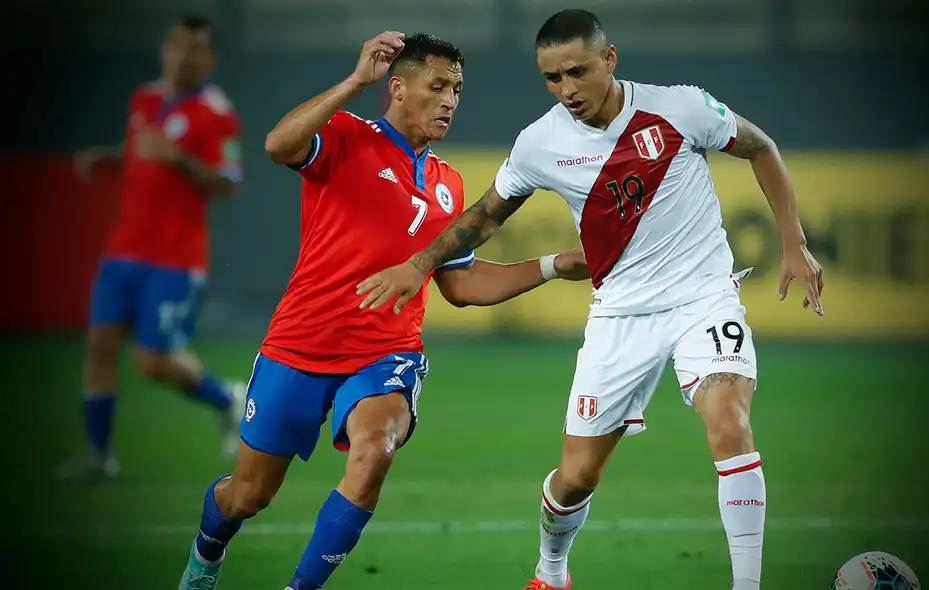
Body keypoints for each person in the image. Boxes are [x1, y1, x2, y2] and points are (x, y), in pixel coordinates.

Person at [356, 10, 825, 590]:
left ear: (609, 59)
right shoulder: (541, 142)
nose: (566, 90)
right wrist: (420, 264)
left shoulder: (680, 107)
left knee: (728, 421)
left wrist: (794, 243)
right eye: (552, 78)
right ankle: (551, 572)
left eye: (576, 72)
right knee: (575, 477)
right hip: (620, 314)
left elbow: (761, 148)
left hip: (704, 298)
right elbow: (481, 217)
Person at [177, 31, 588, 590]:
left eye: (458, 89)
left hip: (383, 353)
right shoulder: (346, 136)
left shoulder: (447, 182)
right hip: (299, 346)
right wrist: (353, 83)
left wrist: (554, 265)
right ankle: (206, 556)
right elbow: (277, 145)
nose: (450, 100)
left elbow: (462, 284)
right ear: (397, 87)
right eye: (438, 86)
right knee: (247, 495)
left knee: (375, 450)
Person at [58, 15, 246, 480]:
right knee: (100, 344)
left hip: (175, 257)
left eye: (193, 48)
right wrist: (110, 159)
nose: (181, 55)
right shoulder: (144, 99)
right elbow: (141, 155)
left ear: (209, 59)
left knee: (153, 361)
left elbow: (229, 180)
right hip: (124, 247)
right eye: (175, 44)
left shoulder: (216, 112)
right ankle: (99, 453)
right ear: (165, 47)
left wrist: (179, 159)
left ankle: (227, 399)